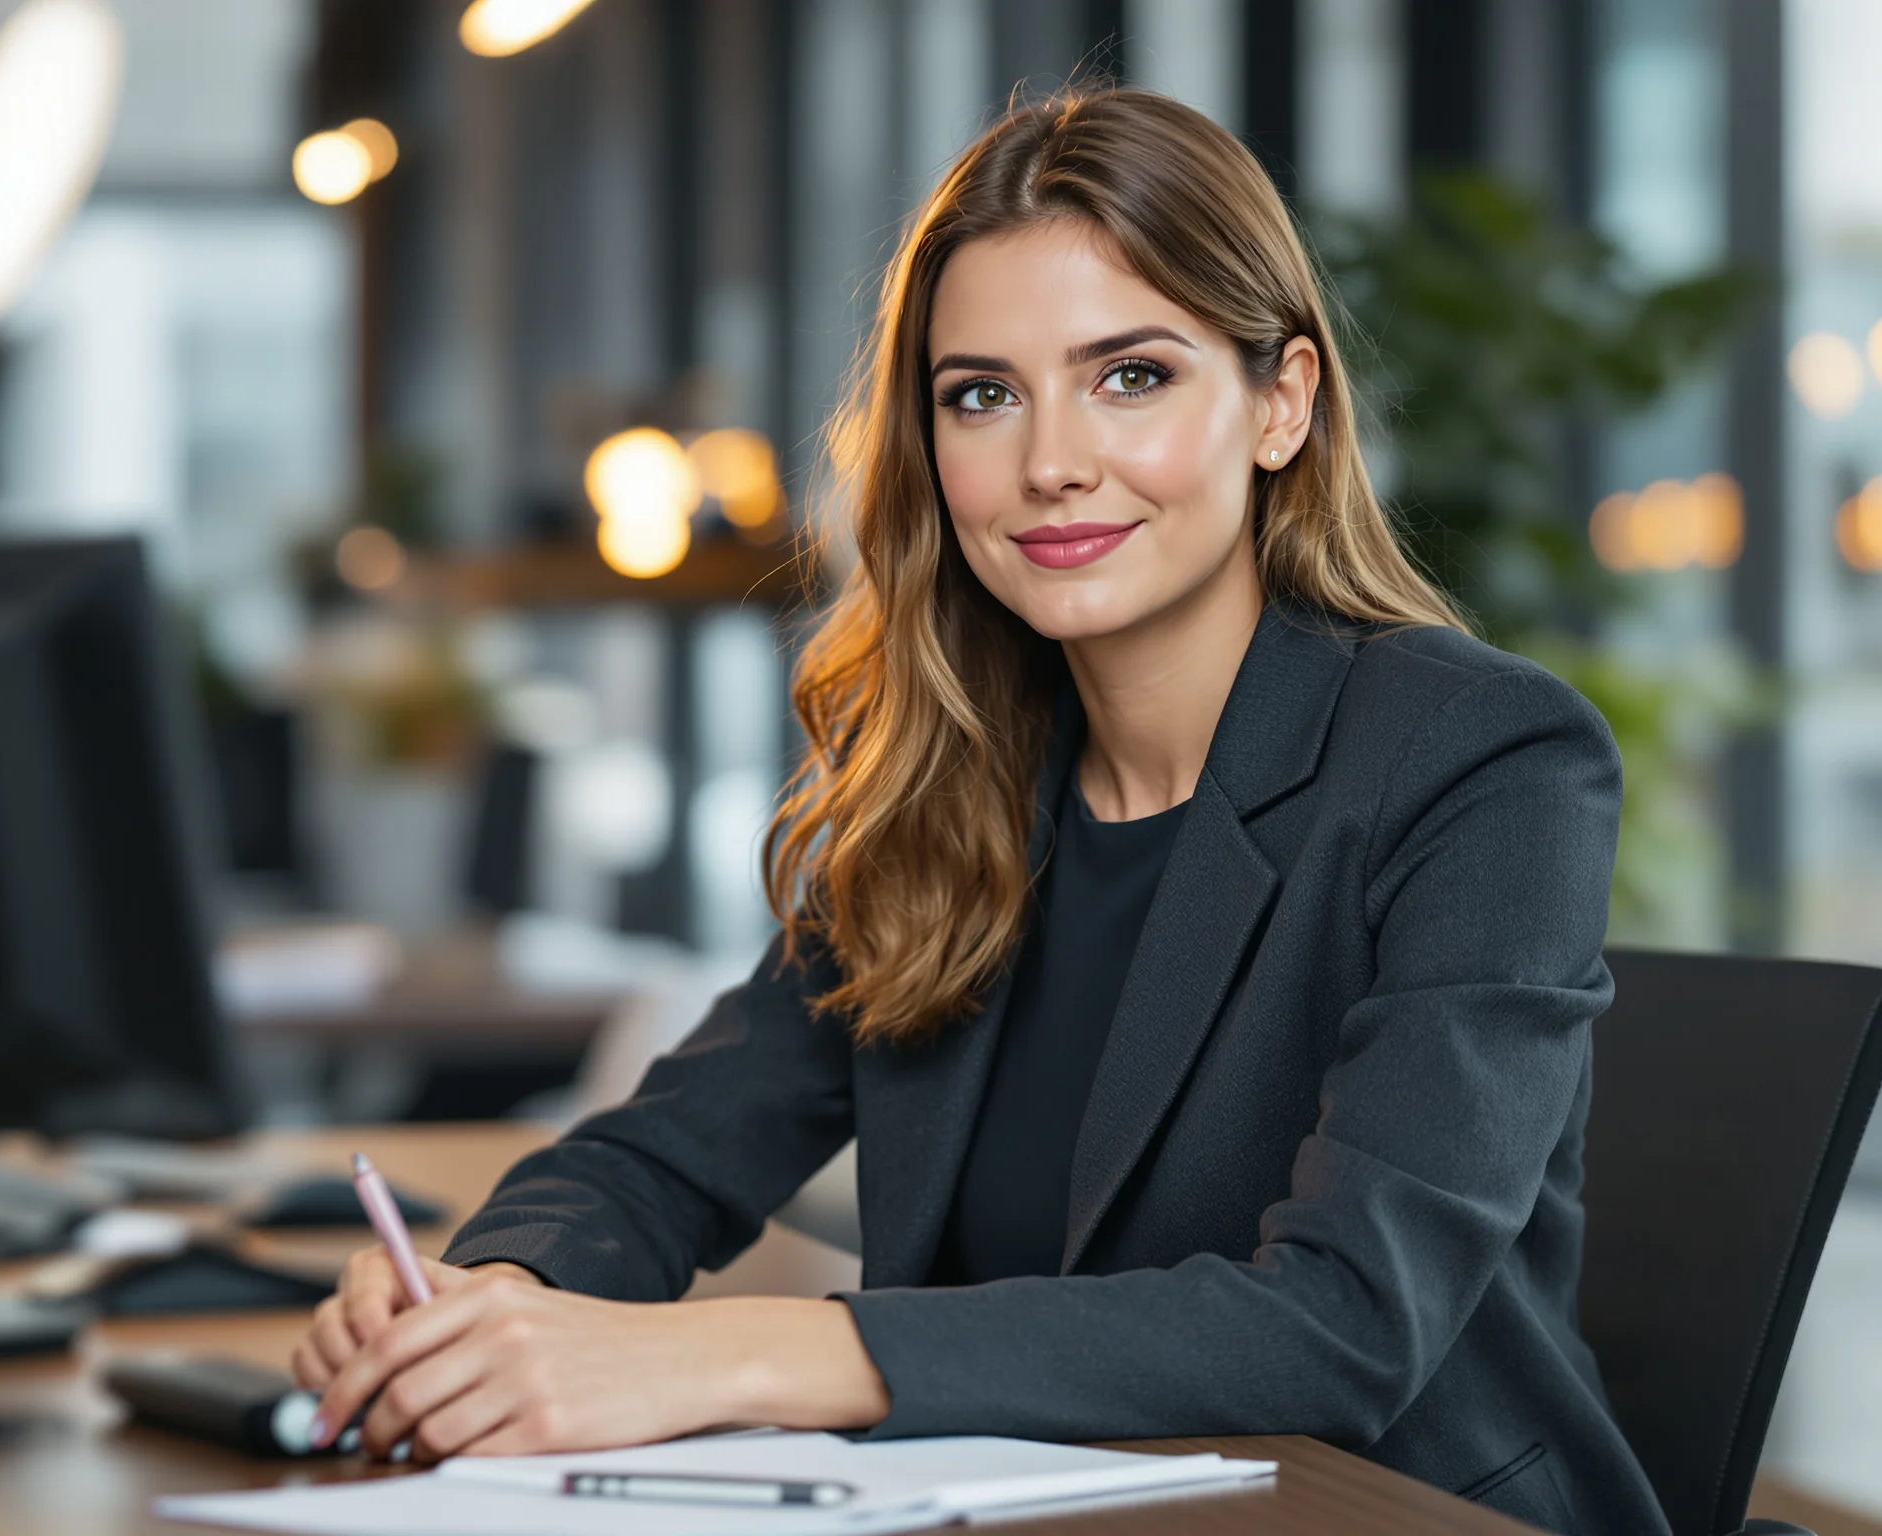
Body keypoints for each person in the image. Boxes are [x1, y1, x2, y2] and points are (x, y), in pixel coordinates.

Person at [293, 86, 1663, 1535]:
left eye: (1130, 376)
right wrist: (495, 1297)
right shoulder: (955, 774)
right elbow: (673, 1146)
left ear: (1281, 405)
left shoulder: (1480, 757)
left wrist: (734, 1353)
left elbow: (1342, 1324)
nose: (1049, 461)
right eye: (982, 394)